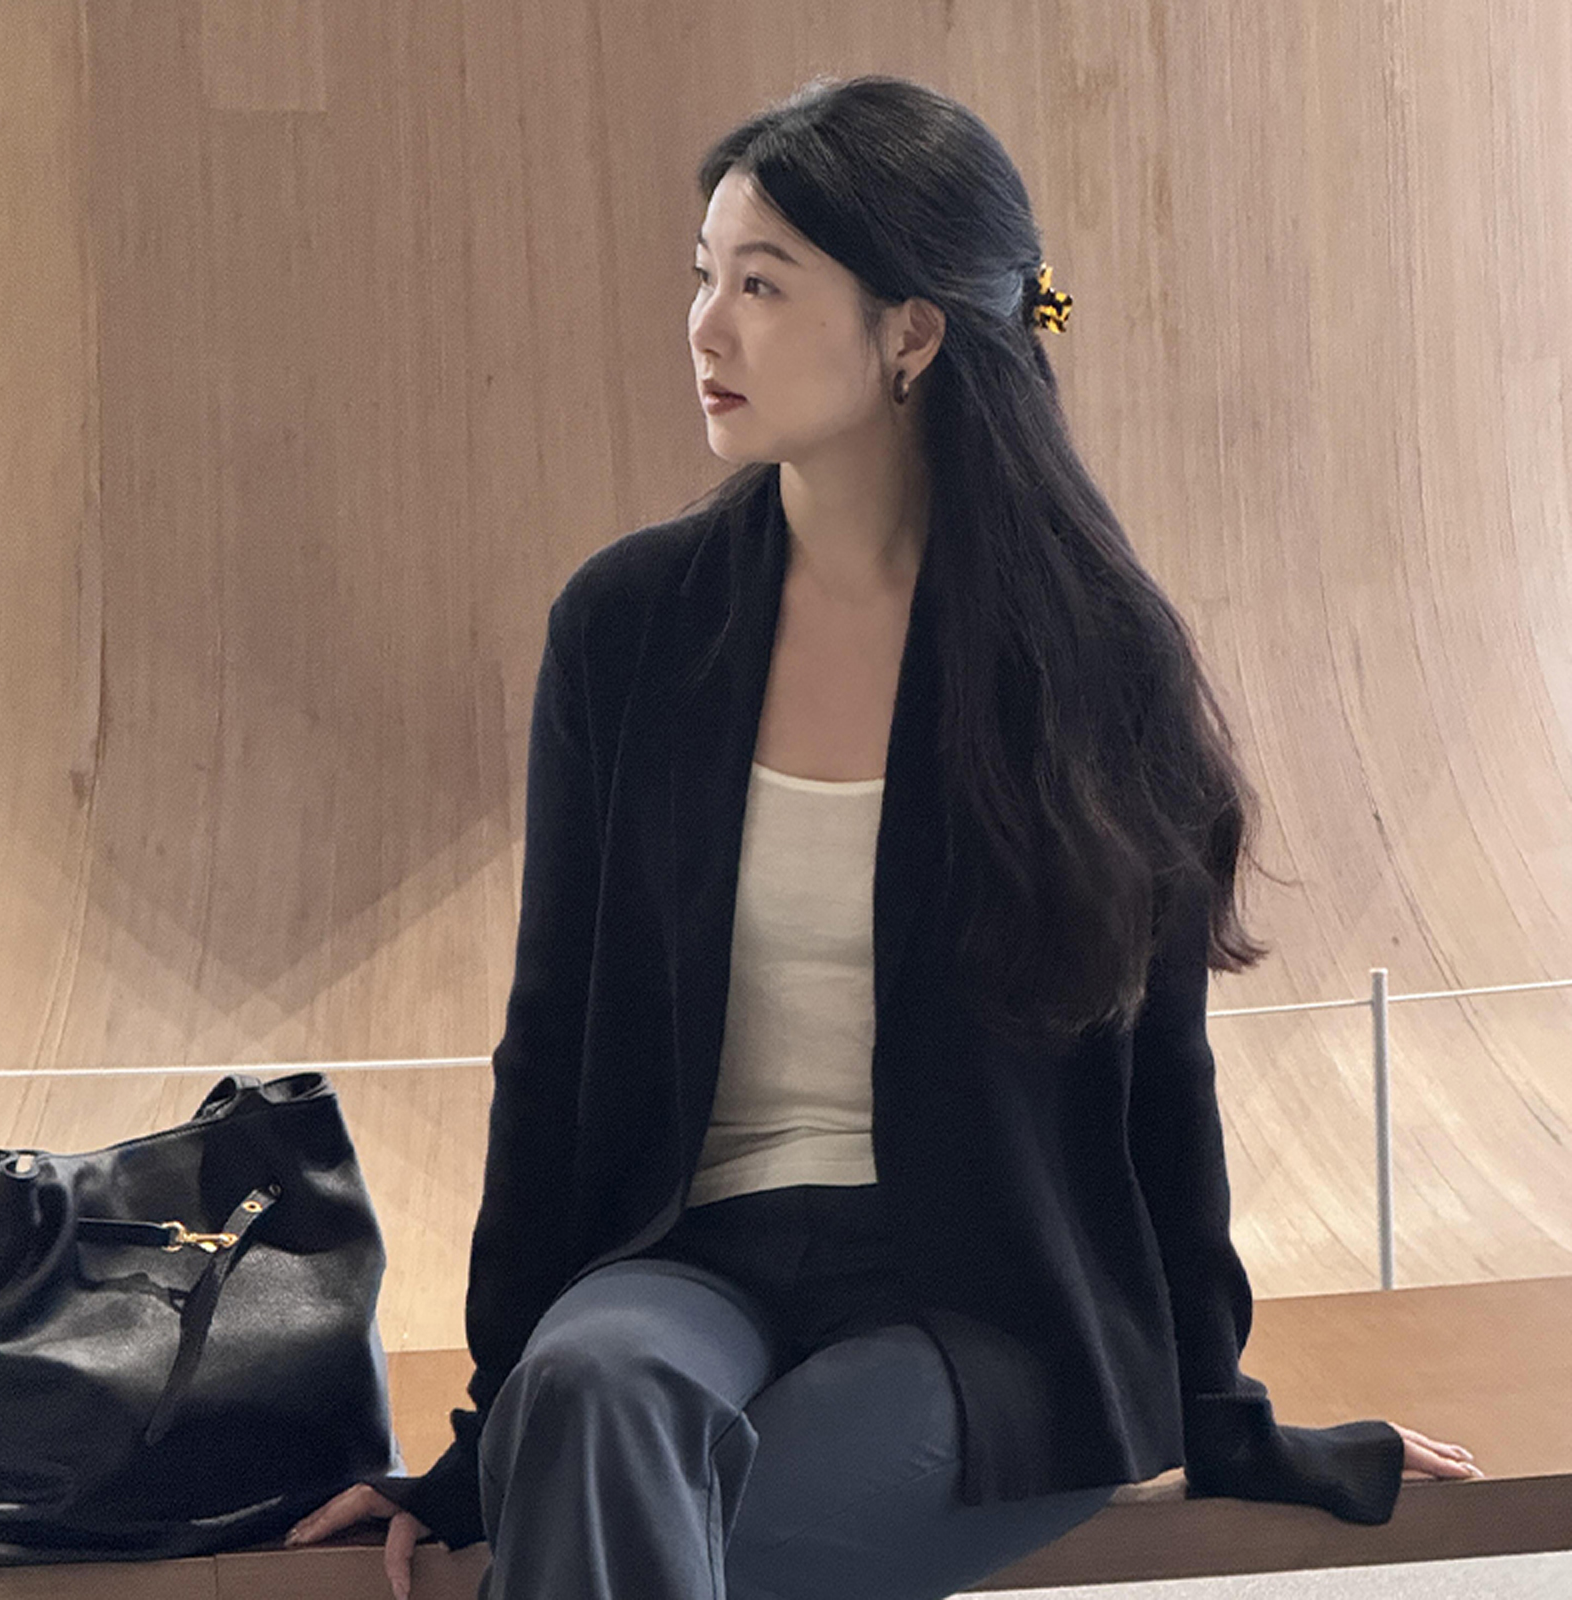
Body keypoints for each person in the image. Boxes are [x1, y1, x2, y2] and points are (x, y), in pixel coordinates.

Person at [285, 74, 1483, 1600]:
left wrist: (1220, 1412)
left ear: (911, 333)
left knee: (647, 1518)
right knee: (587, 1396)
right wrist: (477, 1450)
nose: (706, 328)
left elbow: (1160, 1084)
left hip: (979, 1310)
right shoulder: (628, 631)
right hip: (691, 1261)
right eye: (703, 276)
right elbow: (551, 1055)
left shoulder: (1087, 654)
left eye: (763, 285)